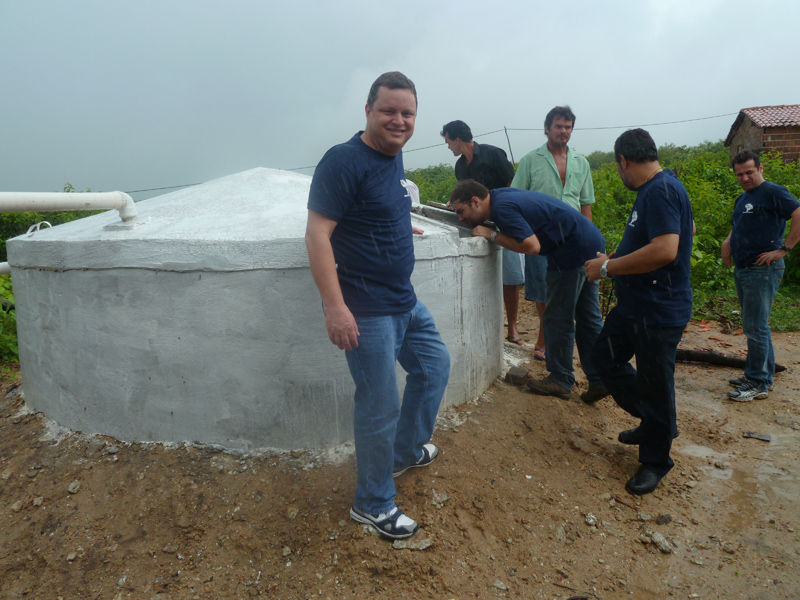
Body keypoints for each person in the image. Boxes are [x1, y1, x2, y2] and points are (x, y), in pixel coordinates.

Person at [305, 72, 450, 539]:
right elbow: (317, 234)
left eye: (407, 113)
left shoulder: (393, 154)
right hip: (366, 308)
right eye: (389, 110)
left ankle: (403, 453)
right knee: (379, 406)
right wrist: (335, 307)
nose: (399, 120)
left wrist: (396, 228)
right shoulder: (343, 161)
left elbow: (380, 206)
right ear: (368, 111)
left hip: (404, 300)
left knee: (433, 368)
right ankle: (372, 502)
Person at [585, 129, 693, 496]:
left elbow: (665, 250)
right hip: (635, 307)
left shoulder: (661, 190)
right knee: (604, 358)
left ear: (624, 161)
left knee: (654, 384)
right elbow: (679, 230)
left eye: (618, 169)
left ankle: (656, 459)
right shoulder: (656, 189)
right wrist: (618, 257)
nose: (620, 175)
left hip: (658, 311)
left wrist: (607, 269)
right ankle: (654, 423)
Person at [449, 180, 606, 401]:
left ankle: (561, 380)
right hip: (590, 242)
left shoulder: (501, 208)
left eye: (461, 211)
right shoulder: (499, 196)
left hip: (571, 253)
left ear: (475, 201)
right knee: (588, 319)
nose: (460, 218)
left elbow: (532, 246)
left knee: (557, 317)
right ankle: (601, 379)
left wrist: (491, 235)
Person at [511, 106, 602, 401]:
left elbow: (585, 206)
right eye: (558, 126)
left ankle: (565, 378)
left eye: (568, 127)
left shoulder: (581, 163)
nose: (563, 131)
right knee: (551, 304)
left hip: (579, 247)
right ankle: (597, 378)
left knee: (568, 315)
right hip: (546, 245)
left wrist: (590, 247)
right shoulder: (530, 161)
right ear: (547, 128)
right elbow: (517, 200)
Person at [721, 150, 800, 401]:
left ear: (761, 168)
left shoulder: (773, 192)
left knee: (755, 326)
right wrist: (727, 242)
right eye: (739, 174)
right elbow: (738, 225)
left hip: (762, 269)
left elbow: (798, 214)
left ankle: (758, 382)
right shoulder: (744, 197)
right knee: (755, 324)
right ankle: (761, 373)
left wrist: (783, 249)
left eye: (749, 172)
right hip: (744, 267)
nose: (744, 178)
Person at [441, 120, 524, 345]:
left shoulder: (493, 154)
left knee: (509, 275)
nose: (449, 147)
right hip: (476, 224)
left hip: (503, 219)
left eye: (448, 141)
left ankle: (513, 326)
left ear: (457, 139)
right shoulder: (460, 167)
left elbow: (512, 185)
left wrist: (506, 215)